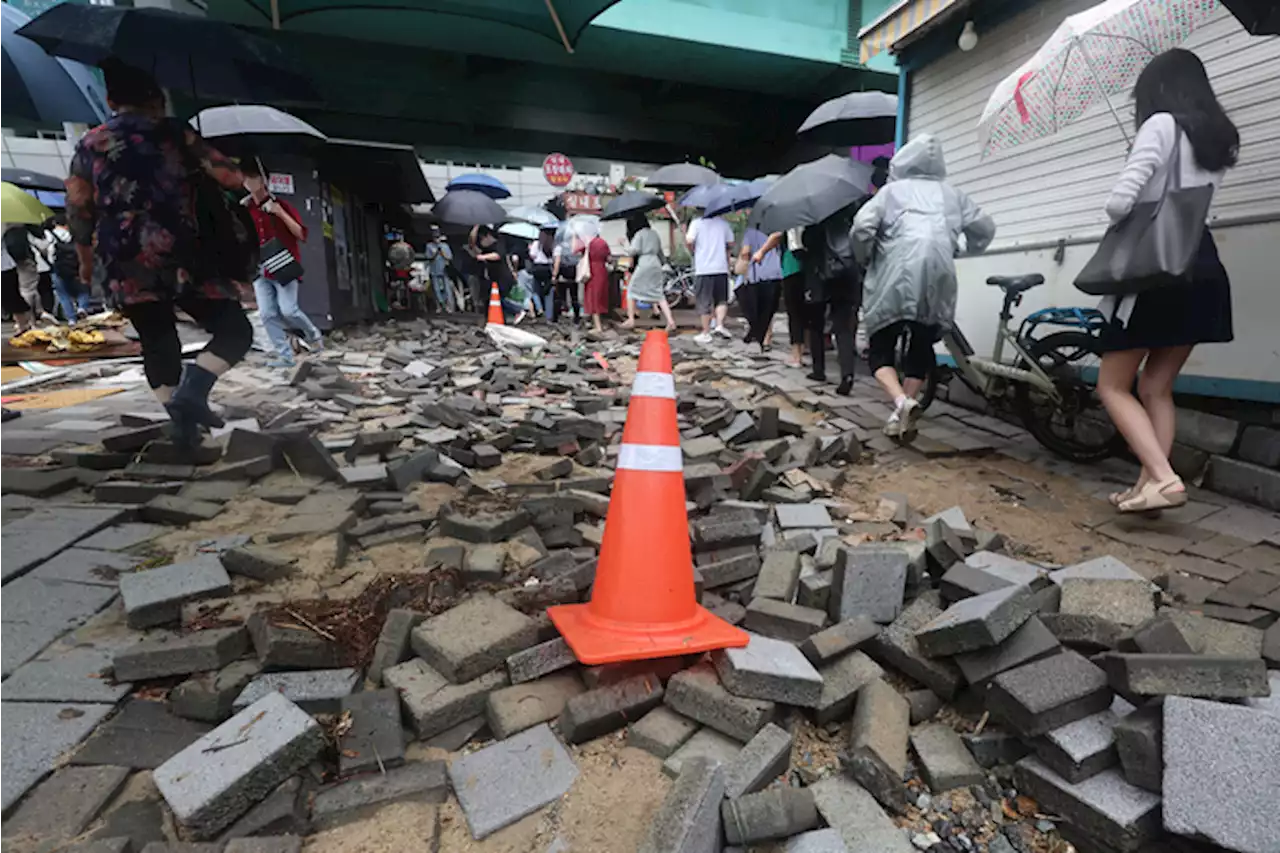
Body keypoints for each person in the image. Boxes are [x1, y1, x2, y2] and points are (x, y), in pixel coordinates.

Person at [65, 61, 254, 447]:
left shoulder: (89, 144)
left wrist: (85, 261)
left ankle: (183, 427)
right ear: (156, 98)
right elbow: (230, 178)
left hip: (122, 258)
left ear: (110, 99)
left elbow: (79, 209)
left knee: (156, 338)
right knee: (235, 330)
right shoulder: (174, 132)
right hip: (183, 253)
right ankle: (193, 394)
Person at [1094, 49, 1237, 513]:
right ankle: (1148, 487)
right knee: (1157, 386)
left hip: (1153, 272)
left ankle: (1164, 478)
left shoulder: (1159, 127)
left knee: (1113, 385)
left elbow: (1120, 203)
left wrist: (1134, 163)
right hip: (1201, 264)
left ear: (1156, 88)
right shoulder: (1215, 137)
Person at [853, 133, 995, 437]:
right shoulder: (952, 194)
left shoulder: (891, 192)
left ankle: (901, 400)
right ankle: (900, 415)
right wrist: (960, 248)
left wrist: (866, 257)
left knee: (881, 345)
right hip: (938, 272)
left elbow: (862, 227)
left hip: (894, 269)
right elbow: (985, 228)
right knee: (921, 343)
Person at [242, 161, 322, 368]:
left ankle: (313, 334)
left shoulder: (282, 205)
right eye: (246, 178)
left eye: (253, 177)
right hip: (260, 269)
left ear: (263, 180)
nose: (248, 182)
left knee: (289, 310)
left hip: (283, 265)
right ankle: (285, 356)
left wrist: (279, 213)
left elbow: (301, 234)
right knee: (267, 314)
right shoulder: (245, 209)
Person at [803, 204, 863, 394]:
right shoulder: (854, 216)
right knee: (844, 328)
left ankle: (818, 370)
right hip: (848, 277)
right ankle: (847, 374)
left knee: (816, 325)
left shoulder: (816, 218)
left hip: (821, 277)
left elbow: (807, 242)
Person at [622, 214, 676, 331]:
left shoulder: (639, 234)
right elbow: (661, 252)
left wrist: (623, 245)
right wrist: (664, 263)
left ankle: (631, 319)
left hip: (644, 262)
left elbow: (633, 251)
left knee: (631, 291)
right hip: (656, 263)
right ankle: (671, 321)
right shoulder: (654, 233)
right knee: (659, 294)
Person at [686, 212, 734, 343]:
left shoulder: (696, 223)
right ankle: (719, 325)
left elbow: (689, 241)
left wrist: (694, 250)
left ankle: (706, 332)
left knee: (703, 300)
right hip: (721, 267)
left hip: (704, 268)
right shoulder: (724, 223)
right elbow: (731, 243)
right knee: (721, 299)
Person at [739, 227, 783, 349]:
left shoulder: (750, 231)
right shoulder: (777, 228)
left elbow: (745, 252)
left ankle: (757, 333)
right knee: (769, 308)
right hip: (775, 271)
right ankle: (767, 337)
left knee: (757, 306)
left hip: (757, 272)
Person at [48, 215, 91, 322]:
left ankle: (71, 319)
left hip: (57, 269)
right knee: (83, 290)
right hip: (74, 268)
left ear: (55, 223)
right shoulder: (73, 235)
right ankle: (82, 307)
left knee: (63, 295)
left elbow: (49, 253)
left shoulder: (49, 235)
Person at [578, 219, 611, 333]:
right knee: (600, 296)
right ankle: (599, 323)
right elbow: (609, 258)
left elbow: (578, 252)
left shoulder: (588, 244)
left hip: (591, 270)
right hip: (602, 270)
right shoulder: (603, 242)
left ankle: (598, 326)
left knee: (593, 298)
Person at [550, 226, 582, 323]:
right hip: (573, 275)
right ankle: (577, 317)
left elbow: (557, 262)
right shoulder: (575, 247)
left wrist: (554, 275)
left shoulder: (559, 248)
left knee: (558, 297)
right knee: (574, 297)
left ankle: (555, 318)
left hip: (562, 276)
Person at [423, 225, 454, 312]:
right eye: (434, 237)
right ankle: (439, 305)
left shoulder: (445, 246)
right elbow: (429, 257)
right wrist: (436, 253)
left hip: (444, 269)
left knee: (447, 288)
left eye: (437, 237)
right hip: (434, 270)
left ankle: (448, 305)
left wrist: (442, 253)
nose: (436, 239)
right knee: (436, 289)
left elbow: (449, 257)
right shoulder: (429, 246)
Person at [529, 225, 558, 313]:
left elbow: (532, 256)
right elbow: (555, 259)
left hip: (537, 267)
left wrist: (530, 249)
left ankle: (539, 307)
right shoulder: (553, 244)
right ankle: (549, 314)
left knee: (535, 290)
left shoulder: (536, 243)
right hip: (547, 268)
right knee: (548, 293)